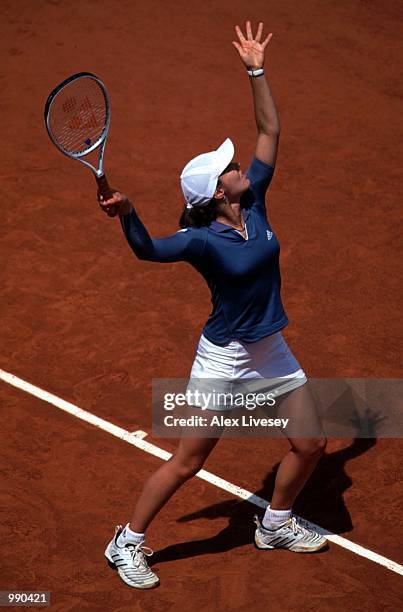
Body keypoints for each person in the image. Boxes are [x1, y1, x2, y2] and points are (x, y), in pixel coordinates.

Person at [101, 21, 328, 590]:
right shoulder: (202, 240)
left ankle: (274, 522)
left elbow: (269, 129)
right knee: (188, 461)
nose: (240, 168)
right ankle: (126, 541)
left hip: (269, 346)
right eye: (229, 170)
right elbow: (150, 251)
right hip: (225, 359)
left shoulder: (257, 204)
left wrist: (255, 69)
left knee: (312, 443)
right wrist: (127, 213)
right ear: (217, 193)